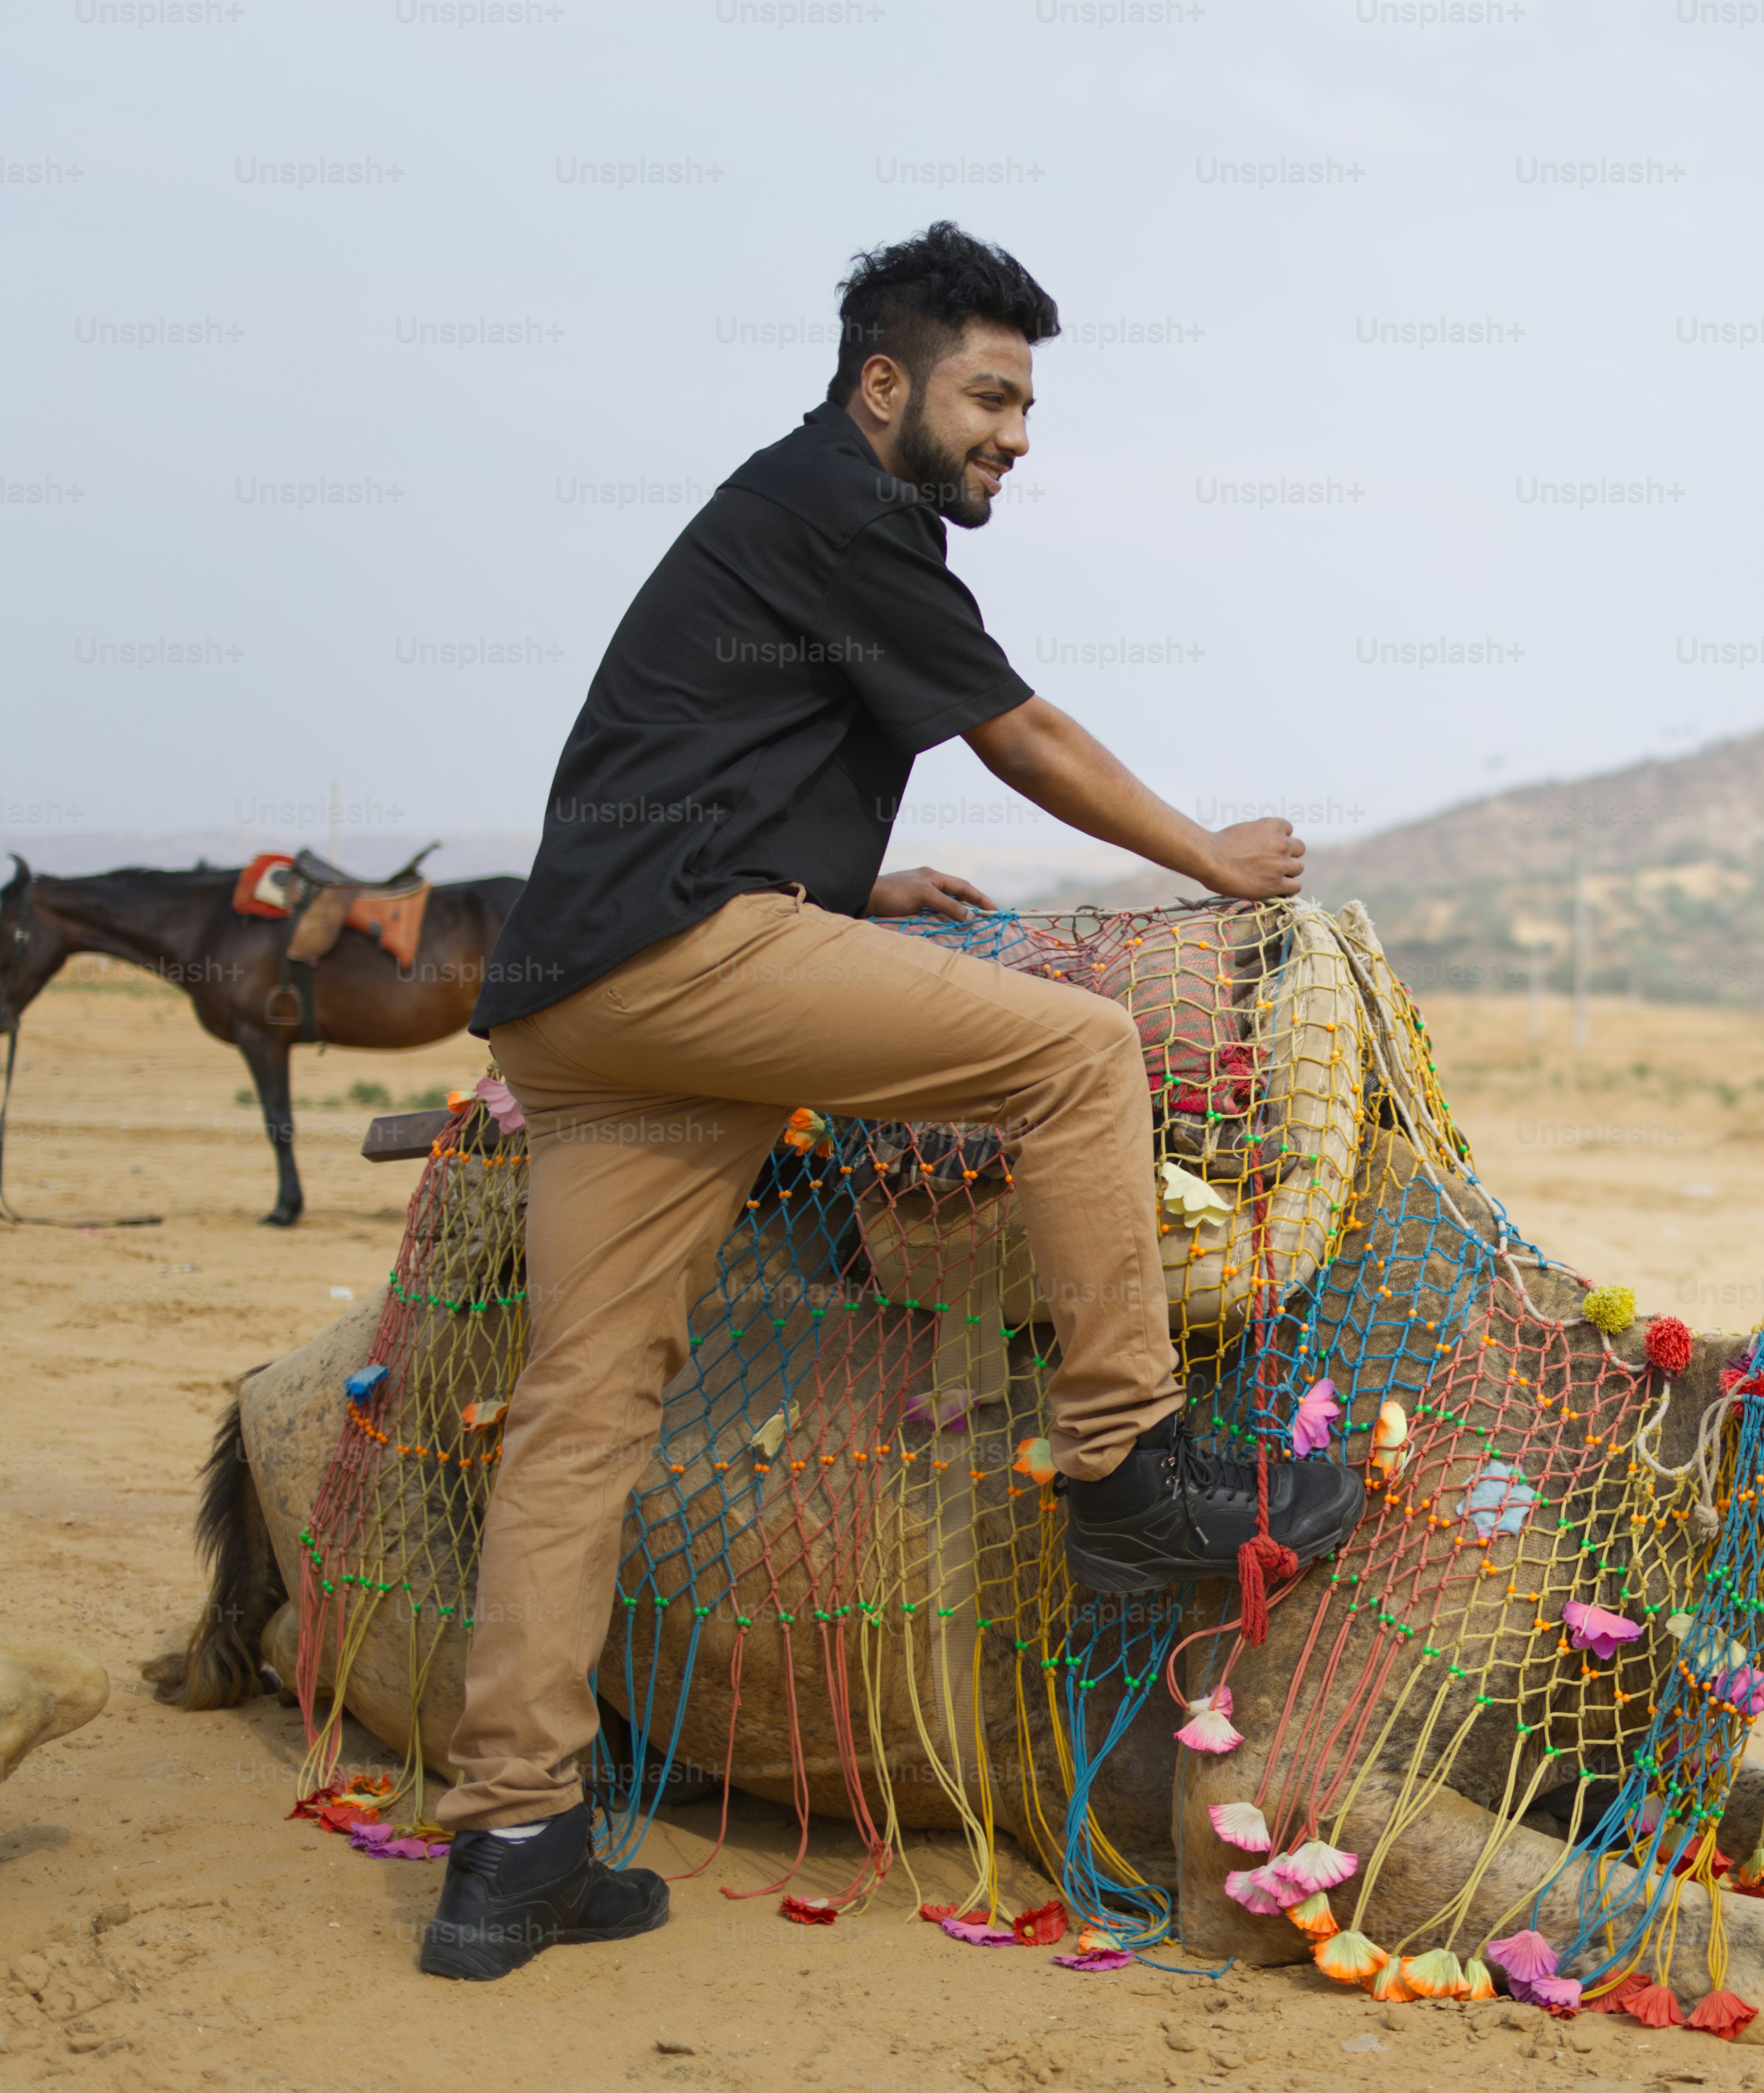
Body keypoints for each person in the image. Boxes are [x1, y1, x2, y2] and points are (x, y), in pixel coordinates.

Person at [416, 222, 1361, 1981]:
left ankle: (512, 1845)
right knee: (1075, 1055)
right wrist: (1210, 855)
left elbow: (683, 764)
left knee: (578, 1418)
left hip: (577, 1010)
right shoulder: (844, 509)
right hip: (689, 966)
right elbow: (1025, 735)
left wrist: (847, 898)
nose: (1016, 433)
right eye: (991, 394)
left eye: (1026, 402)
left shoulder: (778, 514)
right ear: (885, 384)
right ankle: (1130, 1471)